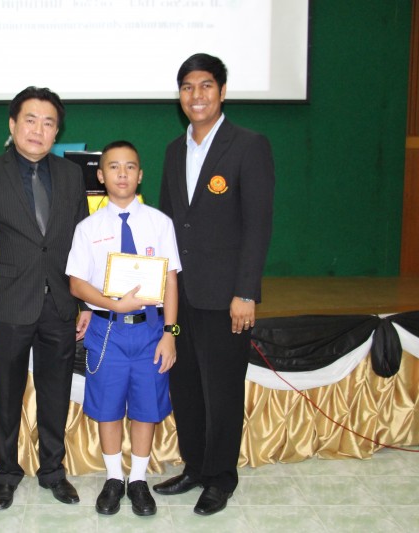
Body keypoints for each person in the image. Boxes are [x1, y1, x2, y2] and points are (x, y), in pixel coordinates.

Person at [154, 53, 275, 516]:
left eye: (205, 85)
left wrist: (246, 292)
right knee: (185, 385)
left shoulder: (249, 145)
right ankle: (195, 467)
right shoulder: (173, 150)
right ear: (180, 95)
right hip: (180, 295)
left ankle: (221, 477)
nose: (196, 95)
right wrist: (161, 288)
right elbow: (167, 225)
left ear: (222, 92)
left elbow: (258, 225)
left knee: (222, 389)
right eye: (187, 87)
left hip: (227, 297)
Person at [0, 86, 90, 510]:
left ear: (57, 132)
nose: (38, 130)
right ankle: (6, 473)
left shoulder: (71, 175)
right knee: (7, 395)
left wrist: (86, 304)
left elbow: (83, 246)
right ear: (13, 124)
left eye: (48, 123)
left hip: (60, 304)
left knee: (55, 393)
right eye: (30, 120)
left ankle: (53, 471)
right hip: (8, 305)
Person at [66, 141, 180, 516]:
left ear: (140, 174)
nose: (122, 174)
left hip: (150, 331)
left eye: (130, 167)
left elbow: (171, 281)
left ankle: (139, 480)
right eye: (113, 167)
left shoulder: (160, 223)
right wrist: (112, 303)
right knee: (109, 407)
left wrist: (170, 333)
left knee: (146, 407)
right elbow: (76, 284)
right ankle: (114, 478)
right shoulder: (88, 227)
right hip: (107, 331)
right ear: (100, 175)